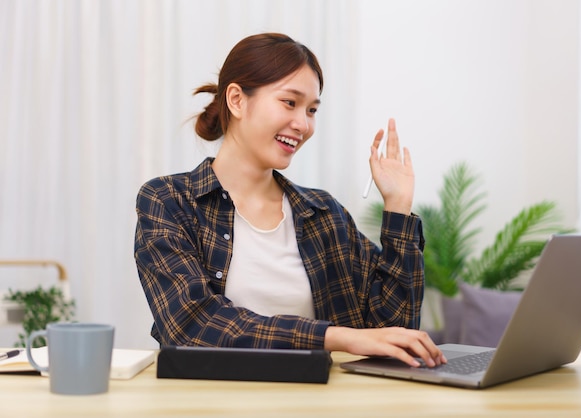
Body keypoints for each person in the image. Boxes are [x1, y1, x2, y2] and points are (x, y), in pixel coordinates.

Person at [134, 33, 446, 368]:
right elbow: (193, 326)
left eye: (312, 110)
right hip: (214, 402)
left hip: (319, 401)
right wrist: (336, 337)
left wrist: (398, 206)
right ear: (237, 100)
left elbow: (394, 331)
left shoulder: (324, 214)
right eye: (289, 102)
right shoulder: (169, 201)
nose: (303, 124)